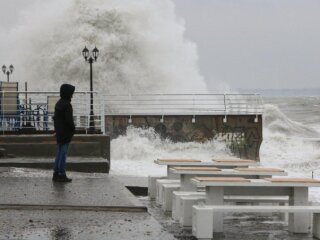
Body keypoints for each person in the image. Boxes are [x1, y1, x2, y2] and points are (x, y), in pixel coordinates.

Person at [52, 83, 75, 182]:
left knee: (59, 152)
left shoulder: (58, 103)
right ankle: (61, 174)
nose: (72, 95)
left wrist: (57, 130)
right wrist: (73, 129)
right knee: (63, 153)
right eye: (71, 93)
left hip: (60, 132)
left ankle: (56, 173)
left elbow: (56, 118)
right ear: (68, 93)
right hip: (65, 133)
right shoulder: (67, 105)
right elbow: (69, 121)